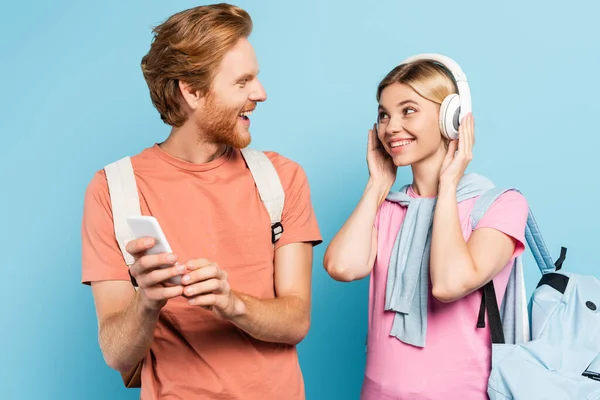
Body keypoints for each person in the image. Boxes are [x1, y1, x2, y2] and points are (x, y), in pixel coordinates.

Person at [80, 4, 322, 399]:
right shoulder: (113, 188)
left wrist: (232, 303)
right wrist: (148, 302)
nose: (260, 93)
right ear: (191, 91)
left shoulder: (280, 178)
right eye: (242, 82)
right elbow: (115, 353)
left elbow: (296, 320)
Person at [323, 55, 529, 399]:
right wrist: (376, 185)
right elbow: (343, 267)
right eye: (384, 114)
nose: (390, 127)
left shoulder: (500, 205)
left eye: (408, 110)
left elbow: (450, 283)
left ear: (452, 119)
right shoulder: (387, 206)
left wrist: (448, 185)